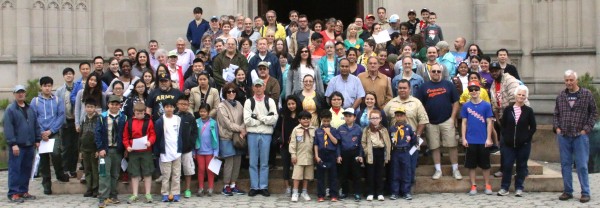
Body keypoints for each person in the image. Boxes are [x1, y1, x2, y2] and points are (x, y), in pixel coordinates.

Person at [554, 70, 597, 203]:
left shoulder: (586, 94)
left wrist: (586, 129)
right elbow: (556, 114)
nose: (569, 82)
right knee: (565, 164)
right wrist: (557, 128)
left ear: (576, 80)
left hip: (580, 135)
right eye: (567, 80)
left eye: (571, 80)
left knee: (582, 165)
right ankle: (567, 191)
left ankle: (585, 192)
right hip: (564, 135)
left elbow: (593, 113)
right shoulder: (561, 96)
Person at [417, 63, 461, 180]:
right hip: (431, 122)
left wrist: (452, 118)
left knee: (452, 145)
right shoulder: (424, 87)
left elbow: (456, 103)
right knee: (434, 147)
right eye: (434, 71)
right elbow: (420, 105)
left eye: (438, 71)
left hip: (447, 120)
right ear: (430, 73)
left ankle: (455, 169)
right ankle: (438, 170)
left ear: (441, 73)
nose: (436, 73)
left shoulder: (449, 85)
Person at [384, 79, 429, 184]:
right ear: (397, 89)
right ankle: (395, 190)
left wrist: (416, 136)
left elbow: (423, 121)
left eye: (405, 88)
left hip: (411, 141)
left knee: (410, 166)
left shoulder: (416, 103)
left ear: (410, 89)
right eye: (400, 88)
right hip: (395, 143)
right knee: (395, 168)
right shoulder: (391, 103)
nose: (402, 90)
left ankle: (407, 190)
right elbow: (384, 119)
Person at [497, 85, 536, 197]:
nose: (521, 96)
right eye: (519, 94)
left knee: (521, 166)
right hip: (509, 144)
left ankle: (519, 187)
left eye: (523, 95)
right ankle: (504, 187)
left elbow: (533, 127)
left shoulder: (529, 111)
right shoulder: (508, 110)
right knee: (507, 165)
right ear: (515, 95)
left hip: (523, 145)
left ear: (526, 97)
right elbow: (503, 125)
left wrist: (526, 138)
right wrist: (505, 137)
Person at [4, 85, 40, 203]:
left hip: (29, 145)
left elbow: (35, 125)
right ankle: (13, 193)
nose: (20, 94)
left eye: (22, 92)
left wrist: (37, 139)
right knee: (15, 170)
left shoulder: (30, 109)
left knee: (26, 169)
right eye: (18, 92)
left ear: (25, 94)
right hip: (17, 146)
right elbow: (8, 128)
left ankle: (23, 191)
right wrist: (13, 143)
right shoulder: (10, 109)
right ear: (14, 94)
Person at [244, 79, 278, 197]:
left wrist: (258, 117)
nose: (258, 89)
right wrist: (264, 120)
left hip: (266, 134)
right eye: (256, 86)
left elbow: (274, 119)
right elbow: (247, 120)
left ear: (264, 87)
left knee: (264, 162)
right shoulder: (249, 102)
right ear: (253, 88)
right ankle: (254, 186)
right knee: (253, 161)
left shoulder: (270, 101)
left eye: (260, 86)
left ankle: (263, 186)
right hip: (252, 134)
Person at [460, 81, 494, 195]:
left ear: (480, 90)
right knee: (471, 165)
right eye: (471, 89)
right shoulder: (466, 106)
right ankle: (473, 185)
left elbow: (489, 122)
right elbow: (464, 123)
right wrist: (464, 138)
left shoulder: (486, 105)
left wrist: (489, 138)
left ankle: (487, 184)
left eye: (475, 89)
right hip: (471, 140)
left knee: (485, 165)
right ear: (468, 92)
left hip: (483, 140)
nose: (474, 91)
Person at [95, 95, 127, 207]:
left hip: (117, 150)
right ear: (108, 104)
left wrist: (124, 149)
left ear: (120, 106)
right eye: (112, 104)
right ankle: (103, 197)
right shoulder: (102, 117)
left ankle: (113, 195)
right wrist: (100, 148)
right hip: (105, 150)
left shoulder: (123, 117)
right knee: (104, 173)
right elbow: (97, 134)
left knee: (115, 174)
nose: (114, 106)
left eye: (117, 104)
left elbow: (125, 134)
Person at [217, 83, 247, 196]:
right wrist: (241, 129)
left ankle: (233, 184)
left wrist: (243, 128)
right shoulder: (221, 106)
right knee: (229, 161)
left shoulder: (239, 104)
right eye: (228, 92)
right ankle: (226, 185)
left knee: (237, 160)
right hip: (227, 136)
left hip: (239, 137)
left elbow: (245, 117)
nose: (231, 93)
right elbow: (227, 124)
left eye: (233, 91)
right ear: (225, 93)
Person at [123, 103, 156, 204]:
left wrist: (150, 142)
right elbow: (125, 137)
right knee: (134, 173)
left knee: (147, 172)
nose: (139, 115)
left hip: (146, 150)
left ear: (144, 112)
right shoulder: (129, 122)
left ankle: (148, 193)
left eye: (141, 113)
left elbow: (152, 134)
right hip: (133, 151)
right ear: (134, 112)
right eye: (137, 113)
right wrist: (127, 146)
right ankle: (135, 194)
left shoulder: (149, 122)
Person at [154, 100, 183, 202]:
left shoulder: (178, 119)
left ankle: (175, 193)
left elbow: (181, 135)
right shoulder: (160, 121)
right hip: (165, 152)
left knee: (176, 174)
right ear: (164, 108)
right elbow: (157, 137)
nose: (169, 109)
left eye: (171, 107)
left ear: (174, 108)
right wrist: (158, 151)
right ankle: (165, 193)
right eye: (167, 107)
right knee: (166, 175)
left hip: (177, 151)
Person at [273, 95, 303, 195]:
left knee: (297, 167)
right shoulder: (283, 114)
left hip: (298, 146)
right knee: (286, 166)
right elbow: (277, 128)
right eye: (289, 104)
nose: (291, 106)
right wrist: (278, 138)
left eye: (293, 104)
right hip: (285, 145)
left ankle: (296, 188)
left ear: (297, 104)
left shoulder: (301, 115)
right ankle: (287, 187)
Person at [388, 107, 418, 200]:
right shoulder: (392, 128)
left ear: (405, 116)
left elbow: (414, 142)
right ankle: (395, 192)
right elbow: (388, 140)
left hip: (405, 152)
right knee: (395, 172)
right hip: (395, 152)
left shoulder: (409, 128)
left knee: (406, 172)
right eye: (397, 115)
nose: (399, 117)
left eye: (401, 115)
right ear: (395, 117)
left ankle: (406, 192)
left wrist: (411, 152)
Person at [361, 110, 391, 201]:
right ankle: (370, 192)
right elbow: (363, 142)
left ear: (380, 119)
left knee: (380, 173)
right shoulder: (366, 129)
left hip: (381, 152)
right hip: (371, 152)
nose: (374, 120)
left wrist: (387, 154)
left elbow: (388, 142)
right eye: (372, 118)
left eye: (376, 118)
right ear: (369, 119)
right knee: (370, 173)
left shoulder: (384, 129)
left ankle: (379, 193)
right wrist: (366, 151)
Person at [289, 110, 317, 203]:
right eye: (303, 119)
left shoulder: (313, 130)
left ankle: (304, 192)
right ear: (299, 120)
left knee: (307, 176)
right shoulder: (296, 130)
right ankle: (295, 192)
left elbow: (316, 144)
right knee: (297, 176)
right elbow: (292, 143)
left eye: (308, 118)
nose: (306, 120)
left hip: (309, 156)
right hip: (299, 156)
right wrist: (293, 155)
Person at [55, 68, 78, 179]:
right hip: (65, 122)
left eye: (70, 74)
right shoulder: (60, 91)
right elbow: (58, 107)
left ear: (73, 75)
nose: (68, 76)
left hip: (76, 121)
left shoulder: (78, 88)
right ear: (64, 76)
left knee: (75, 147)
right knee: (66, 147)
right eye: (66, 74)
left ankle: (73, 169)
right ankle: (65, 168)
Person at [192, 103, 219, 197]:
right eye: (201, 111)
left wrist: (216, 151)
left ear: (208, 112)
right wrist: (193, 151)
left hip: (210, 151)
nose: (202, 113)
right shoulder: (196, 122)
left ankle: (211, 188)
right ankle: (201, 188)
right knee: (201, 169)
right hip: (199, 150)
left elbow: (216, 138)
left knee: (210, 170)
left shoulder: (213, 123)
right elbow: (194, 137)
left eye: (204, 111)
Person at [336, 108, 363, 201]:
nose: (347, 118)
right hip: (344, 153)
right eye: (346, 116)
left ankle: (357, 193)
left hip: (355, 153)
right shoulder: (340, 128)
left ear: (354, 117)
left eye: (350, 116)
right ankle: (344, 192)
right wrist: (338, 155)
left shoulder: (359, 129)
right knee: (344, 174)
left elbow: (361, 144)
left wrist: (360, 155)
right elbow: (338, 144)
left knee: (356, 174)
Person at [313, 110, 340, 202]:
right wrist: (316, 156)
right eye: (324, 121)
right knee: (320, 176)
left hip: (331, 154)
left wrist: (328, 133)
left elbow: (336, 142)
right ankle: (321, 195)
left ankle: (333, 195)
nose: (326, 123)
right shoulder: (317, 131)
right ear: (321, 120)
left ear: (330, 120)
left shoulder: (334, 130)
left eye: (328, 121)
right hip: (321, 154)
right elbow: (316, 144)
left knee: (333, 176)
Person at [80, 99, 100, 198]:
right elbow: (80, 135)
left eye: (92, 107)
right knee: (87, 169)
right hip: (85, 148)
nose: (89, 109)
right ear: (85, 108)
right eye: (88, 107)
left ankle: (96, 188)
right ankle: (89, 188)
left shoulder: (98, 119)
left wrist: (98, 149)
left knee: (95, 169)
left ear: (95, 108)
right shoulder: (84, 119)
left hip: (94, 149)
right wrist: (80, 150)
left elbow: (100, 134)